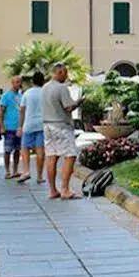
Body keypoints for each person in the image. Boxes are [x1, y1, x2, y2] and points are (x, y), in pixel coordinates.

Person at [42, 63, 84, 199]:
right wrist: (79, 102)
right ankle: (65, 189)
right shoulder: (62, 88)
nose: (66, 75)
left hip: (47, 125)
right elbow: (68, 107)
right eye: (65, 73)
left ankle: (53, 190)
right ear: (59, 72)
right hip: (61, 125)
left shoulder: (44, 87)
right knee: (70, 155)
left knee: (51, 156)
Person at [16, 72, 46, 184]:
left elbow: (22, 111)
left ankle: (26, 171)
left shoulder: (27, 93)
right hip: (42, 125)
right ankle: (39, 176)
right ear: (43, 81)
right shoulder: (45, 93)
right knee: (40, 151)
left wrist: (19, 127)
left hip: (28, 124)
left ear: (32, 81)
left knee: (25, 149)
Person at [0, 76, 23, 179]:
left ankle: (15, 170)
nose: (18, 84)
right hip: (9, 127)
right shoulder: (6, 96)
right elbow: (1, 112)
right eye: (16, 82)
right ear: (12, 83)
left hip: (19, 127)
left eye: (19, 82)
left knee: (18, 150)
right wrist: (2, 127)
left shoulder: (21, 96)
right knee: (8, 150)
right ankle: (7, 171)